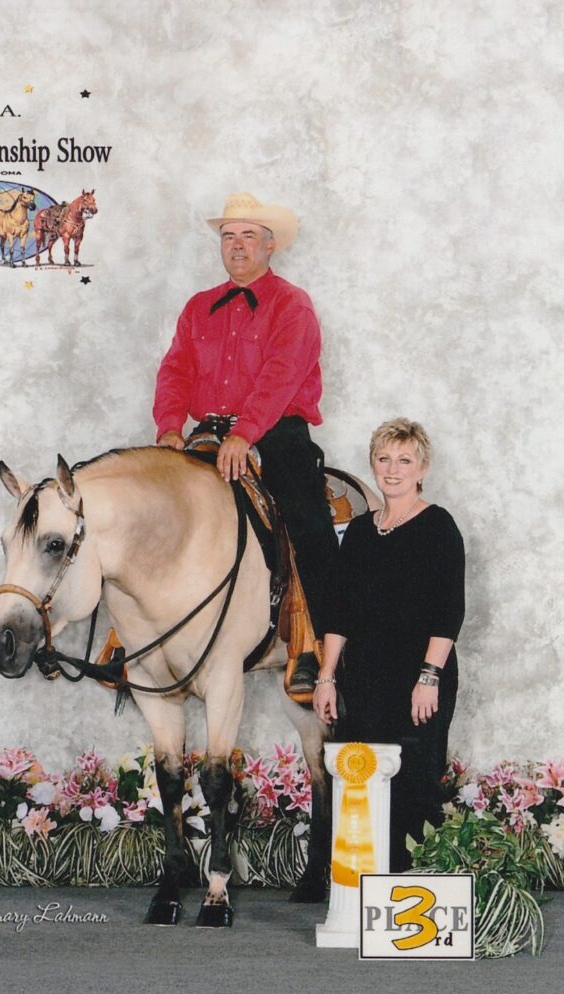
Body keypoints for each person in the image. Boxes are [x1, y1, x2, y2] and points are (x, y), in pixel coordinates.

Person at [153, 192, 339, 691]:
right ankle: (140, 638)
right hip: (209, 430)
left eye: (248, 236)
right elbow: (175, 369)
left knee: (307, 520)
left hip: (276, 429)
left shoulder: (292, 304)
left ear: (270, 245)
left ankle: (312, 642)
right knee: (152, 509)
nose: (236, 246)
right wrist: (170, 427)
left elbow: (281, 376)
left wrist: (245, 433)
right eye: (228, 236)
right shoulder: (198, 308)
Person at [313, 418, 465, 871]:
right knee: (362, 783)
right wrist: (325, 678)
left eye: (404, 460)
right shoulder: (359, 532)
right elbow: (339, 612)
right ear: (373, 465)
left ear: (422, 469)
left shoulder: (439, 527)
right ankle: (364, 886)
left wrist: (428, 678)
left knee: (415, 784)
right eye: (384, 459)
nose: (392, 469)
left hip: (419, 678)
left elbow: (449, 611)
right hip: (362, 679)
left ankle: (411, 884)